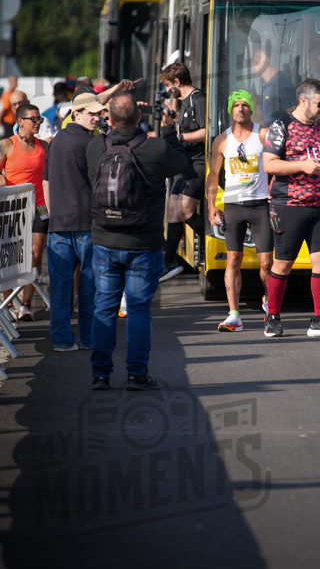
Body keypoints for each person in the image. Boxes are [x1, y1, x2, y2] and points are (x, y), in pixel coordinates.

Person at [86, 92, 188, 391]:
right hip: (145, 243)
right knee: (140, 309)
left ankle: (100, 375)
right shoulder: (156, 147)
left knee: (104, 307)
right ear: (139, 117)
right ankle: (136, 375)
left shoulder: (96, 146)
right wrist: (168, 127)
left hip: (104, 239)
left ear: (110, 118)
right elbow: (181, 163)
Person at [262, 78, 320, 339]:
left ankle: (319, 320)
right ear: (304, 101)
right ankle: (272, 317)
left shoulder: (319, 126)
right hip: (288, 205)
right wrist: (301, 166)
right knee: (283, 264)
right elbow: (269, 165)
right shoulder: (281, 125)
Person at [42, 92, 105, 352]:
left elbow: (46, 182)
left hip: (58, 222)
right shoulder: (93, 143)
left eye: (98, 112)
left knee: (60, 286)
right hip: (86, 222)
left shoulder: (55, 142)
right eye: (91, 113)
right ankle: (89, 339)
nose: (96, 117)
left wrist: (53, 212)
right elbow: (101, 184)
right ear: (75, 113)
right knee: (89, 284)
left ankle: (62, 340)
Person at [206, 90, 273, 331]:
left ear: (251, 109)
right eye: (236, 105)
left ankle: (270, 303)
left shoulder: (263, 134)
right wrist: (212, 205)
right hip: (233, 205)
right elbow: (213, 175)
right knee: (233, 259)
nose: (241, 108)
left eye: (245, 104)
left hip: (260, 205)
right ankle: (234, 314)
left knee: (267, 263)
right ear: (230, 110)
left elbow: (278, 164)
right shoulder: (221, 140)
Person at [0, 103, 48, 321]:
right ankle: (8, 303)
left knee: (35, 255)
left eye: (40, 119)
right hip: (13, 209)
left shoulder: (44, 146)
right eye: (34, 119)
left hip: (39, 206)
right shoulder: (7, 145)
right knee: (11, 257)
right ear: (20, 121)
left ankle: (26, 304)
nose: (38, 123)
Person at [159, 62, 207, 282]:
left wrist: (182, 138)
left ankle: (210, 240)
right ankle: (167, 262)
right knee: (172, 212)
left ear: (176, 83)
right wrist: (172, 104)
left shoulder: (198, 99)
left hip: (197, 163)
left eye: (169, 86)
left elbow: (208, 130)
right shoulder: (183, 100)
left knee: (186, 211)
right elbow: (179, 121)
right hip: (183, 162)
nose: (169, 91)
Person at [251, 47, 297, 126]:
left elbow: (293, 115)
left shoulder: (281, 84)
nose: (252, 65)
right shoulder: (269, 85)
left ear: (265, 63)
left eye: (255, 62)